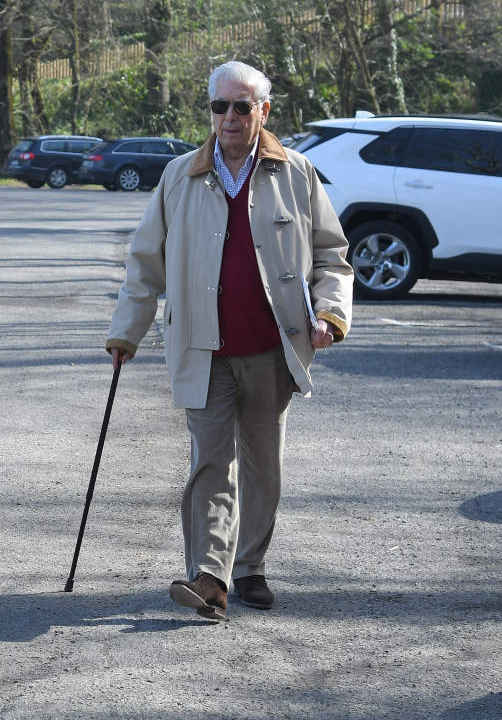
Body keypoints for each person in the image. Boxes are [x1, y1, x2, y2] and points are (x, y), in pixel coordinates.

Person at [105, 61, 353, 621]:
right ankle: (210, 578)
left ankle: (250, 568)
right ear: (210, 112)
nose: (231, 117)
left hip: (272, 349)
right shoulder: (179, 176)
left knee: (262, 466)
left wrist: (331, 315)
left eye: (243, 106)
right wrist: (126, 333)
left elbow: (332, 257)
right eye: (220, 106)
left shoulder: (297, 174)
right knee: (210, 464)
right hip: (202, 348)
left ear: (264, 111)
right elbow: (145, 263)